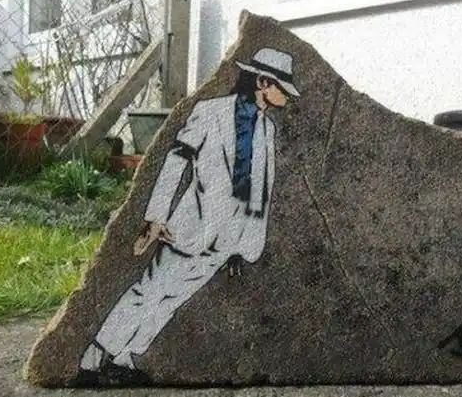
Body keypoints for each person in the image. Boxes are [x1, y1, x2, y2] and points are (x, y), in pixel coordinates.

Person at [75, 47, 301, 385]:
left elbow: (260, 191)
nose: (286, 96)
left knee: (172, 300)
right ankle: (93, 358)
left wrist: (243, 245)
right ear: (263, 82)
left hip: (228, 238)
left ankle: (125, 358)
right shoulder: (210, 112)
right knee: (149, 291)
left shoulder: (267, 129)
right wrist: (157, 216)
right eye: (282, 88)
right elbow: (177, 160)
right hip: (191, 227)